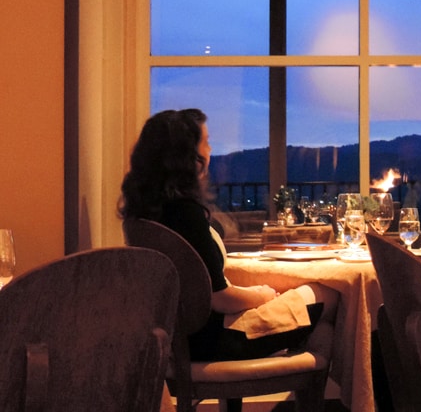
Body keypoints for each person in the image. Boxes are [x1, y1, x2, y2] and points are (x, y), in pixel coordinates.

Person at [118, 108, 338, 361]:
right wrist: (261, 296)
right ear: (187, 156)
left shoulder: (147, 213)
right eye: (206, 143)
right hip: (218, 338)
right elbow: (220, 298)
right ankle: (355, 395)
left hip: (182, 336)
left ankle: (330, 395)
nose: (210, 151)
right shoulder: (185, 213)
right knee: (327, 295)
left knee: (322, 330)